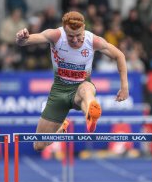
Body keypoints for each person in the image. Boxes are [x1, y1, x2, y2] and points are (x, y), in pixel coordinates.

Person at [15, 11, 129, 151]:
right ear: (64, 30)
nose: (75, 40)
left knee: (87, 89)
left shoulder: (92, 40)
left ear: (84, 28)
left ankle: (90, 114)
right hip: (59, 91)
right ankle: (61, 129)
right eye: (70, 36)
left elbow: (120, 56)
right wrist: (21, 37)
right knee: (39, 145)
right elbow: (25, 41)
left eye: (78, 36)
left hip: (80, 88)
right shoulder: (55, 35)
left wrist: (124, 86)